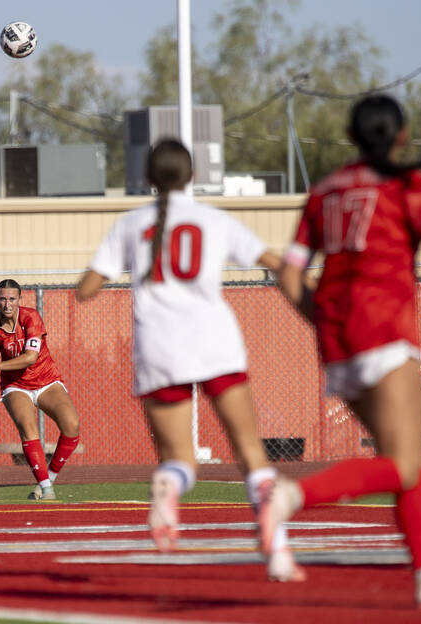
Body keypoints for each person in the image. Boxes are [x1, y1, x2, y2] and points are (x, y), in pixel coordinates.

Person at [273, 95, 421, 610]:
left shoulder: (324, 190)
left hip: (337, 340)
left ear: (351, 136)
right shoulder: (407, 184)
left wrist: (321, 317)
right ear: (401, 135)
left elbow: (289, 272)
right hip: (386, 332)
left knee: (407, 460)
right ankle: (291, 497)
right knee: (406, 465)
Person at [75, 139, 287, 568]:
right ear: (192, 176)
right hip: (216, 344)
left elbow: (86, 290)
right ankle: (279, 551)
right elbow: (272, 260)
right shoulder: (213, 219)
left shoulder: (131, 224)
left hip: (159, 347)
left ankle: (168, 489)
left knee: (178, 461)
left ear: (148, 180)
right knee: (250, 455)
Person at [0, 279, 81, 500]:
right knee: (28, 428)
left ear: (20, 299)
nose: (7, 304)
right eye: (3, 298)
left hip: (46, 379)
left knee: (72, 425)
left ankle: (48, 478)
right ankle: (47, 490)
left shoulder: (30, 317)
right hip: (16, 386)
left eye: (12, 298)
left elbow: (30, 358)